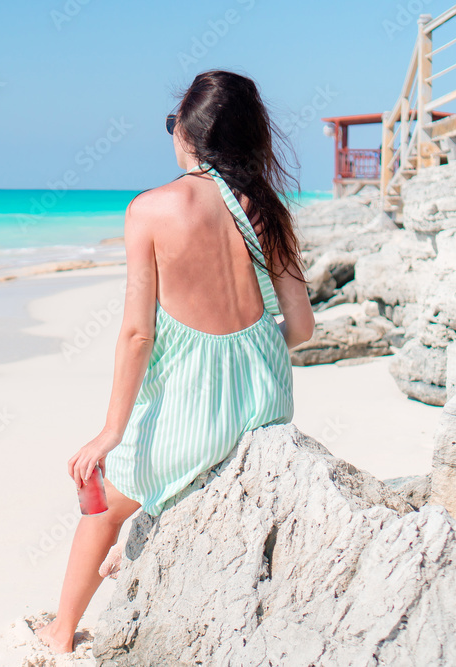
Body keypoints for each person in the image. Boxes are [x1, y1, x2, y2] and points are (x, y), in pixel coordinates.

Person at [34, 69, 315, 654]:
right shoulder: (266, 209)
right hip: (265, 407)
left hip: (197, 421)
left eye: (173, 123)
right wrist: (249, 355)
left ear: (186, 131)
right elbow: (303, 328)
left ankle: (61, 632)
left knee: (104, 505)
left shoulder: (151, 210)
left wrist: (109, 434)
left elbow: (138, 334)